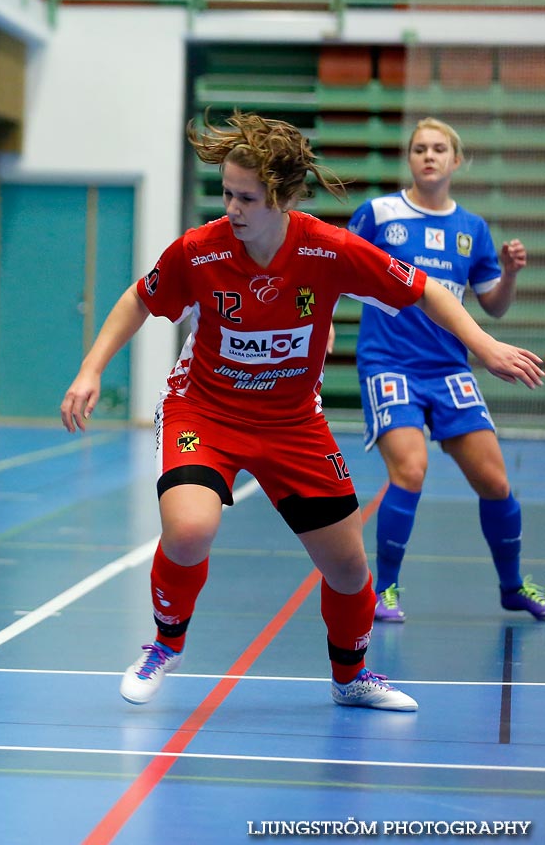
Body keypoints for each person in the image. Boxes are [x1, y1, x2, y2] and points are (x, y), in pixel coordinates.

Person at [59, 111, 542, 713]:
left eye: (247, 198)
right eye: (227, 193)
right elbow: (140, 297)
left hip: (292, 423)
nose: (231, 209)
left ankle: (352, 676)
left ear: (283, 198)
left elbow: (426, 290)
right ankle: (164, 644)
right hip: (204, 412)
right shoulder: (201, 251)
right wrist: (90, 369)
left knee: (347, 568)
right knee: (189, 529)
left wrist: (486, 346)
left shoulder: (329, 250)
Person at [348, 117, 542, 624]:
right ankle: (384, 588)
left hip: (449, 368)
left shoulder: (472, 229)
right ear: (409, 159)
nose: (428, 156)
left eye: (439, 149)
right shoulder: (379, 214)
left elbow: (493, 308)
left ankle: (512, 585)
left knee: (495, 482)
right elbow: (336, 268)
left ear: (456, 162)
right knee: (410, 469)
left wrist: (512, 273)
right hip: (389, 363)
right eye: (419, 149)